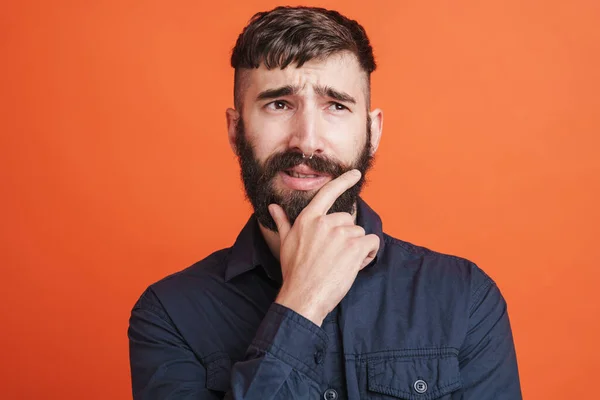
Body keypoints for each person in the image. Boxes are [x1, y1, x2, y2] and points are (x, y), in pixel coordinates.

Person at [128, 6, 522, 399]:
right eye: (279, 104)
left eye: (336, 106)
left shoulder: (464, 298)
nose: (306, 139)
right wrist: (300, 304)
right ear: (236, 130)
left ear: (372, 132)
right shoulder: (169, 315)